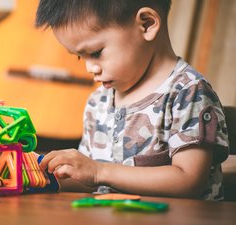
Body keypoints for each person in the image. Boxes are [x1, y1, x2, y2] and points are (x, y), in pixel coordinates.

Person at [35, 0, 229, 200]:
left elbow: (189, 180)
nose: (89, 68)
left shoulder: (188, 92)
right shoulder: (98, 102)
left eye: (95, 53)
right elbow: (87, 178)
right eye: (79, 57)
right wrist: (43, 173)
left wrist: (99, 171)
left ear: (147, 24)